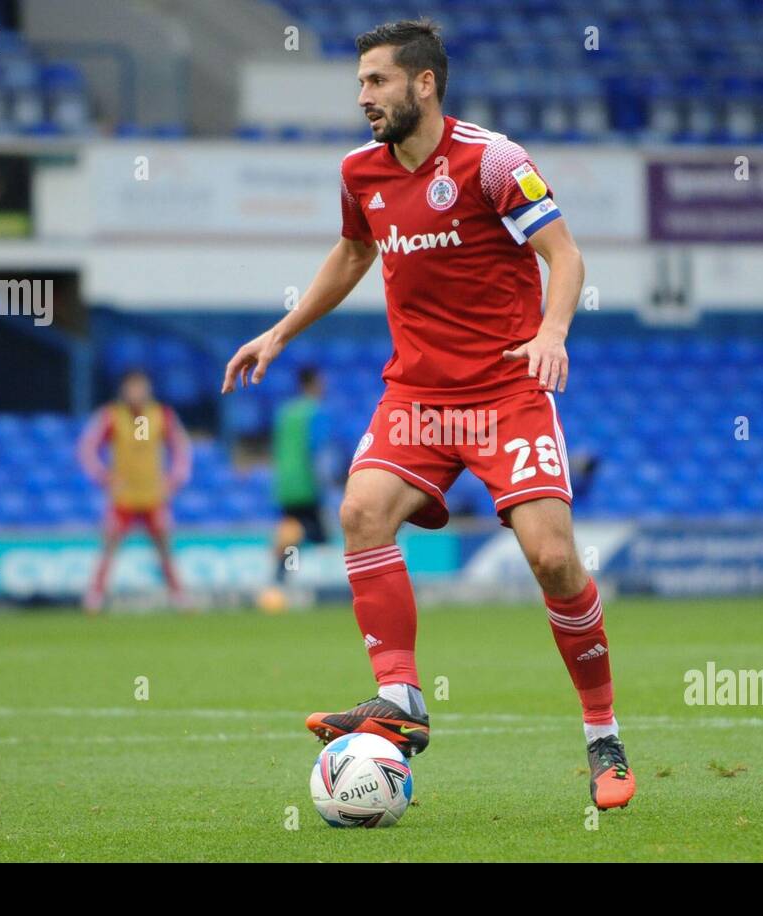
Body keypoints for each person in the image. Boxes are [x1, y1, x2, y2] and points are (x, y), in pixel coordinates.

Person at [222, 19, 633, 809]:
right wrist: (278, 332)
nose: (363, 98)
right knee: (360, 509)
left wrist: (552, 332)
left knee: (552, 557)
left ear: (424, 84)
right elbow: (351, 255)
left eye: (376, 82)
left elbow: (567, 256)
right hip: (417, 396)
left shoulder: (495, 162)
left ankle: (601, 733)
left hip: (509, 392)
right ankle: (401, 697)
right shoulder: (359, 173)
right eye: (360, 84)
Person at [77, 369, 192, 613]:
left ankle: (178, 595)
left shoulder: (162, 415)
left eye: (141, 387)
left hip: (153, 494)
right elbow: (87, 449)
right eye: (132, 387)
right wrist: (104, 477)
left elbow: (181, 449)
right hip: (124, 495)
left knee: (163, 546)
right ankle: (95, 596)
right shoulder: (111, 416)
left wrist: (173, 481)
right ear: (123, 390)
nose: (137, 392)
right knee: (109, 545)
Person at [260, 367, 332, 609]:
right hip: (307, 484)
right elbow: (317, 451)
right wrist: (326, 485)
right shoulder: (315, 412)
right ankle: (327, 585)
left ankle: (281, 580)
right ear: (312, 384)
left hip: (284, 484)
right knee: (318, 535)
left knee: (293, 535)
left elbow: (276, 450)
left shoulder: (284, 413)